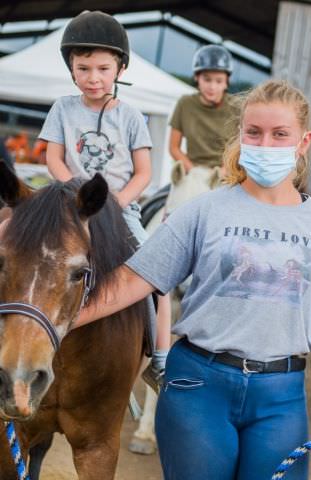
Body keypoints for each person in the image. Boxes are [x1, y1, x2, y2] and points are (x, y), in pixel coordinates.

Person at [76, 80, 311, 479]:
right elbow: (132, 281)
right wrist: (55, 321)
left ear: (303, 141)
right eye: (254, 132)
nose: (265, 143)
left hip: (281, 397)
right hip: (198, 385)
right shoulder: (204, 211)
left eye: (280, 134)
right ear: (240, 136)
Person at [38, 10, 170, 388]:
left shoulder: (131, 116)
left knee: (157, 275)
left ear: (120, 69)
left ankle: (159, 358)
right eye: (83, 69)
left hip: (119, 208)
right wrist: (77, 196)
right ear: (72, 70)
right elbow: (53, 157)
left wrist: (112, 203)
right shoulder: (63, 108)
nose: (92, 78)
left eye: (102, 68)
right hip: (70, 203)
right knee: (20, 246)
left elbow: (144, 172)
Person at [164, 44, 237, 214]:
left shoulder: (236, 107)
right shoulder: (185, 103)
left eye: (218, 81)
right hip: (193, 170)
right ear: (197, 78)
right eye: (207, 79)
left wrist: (225, 171)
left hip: (224, 174)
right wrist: (192, 171)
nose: (212, 86)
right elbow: (174, 147)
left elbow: (242, 147)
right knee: (173, 210)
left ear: (226, 82)